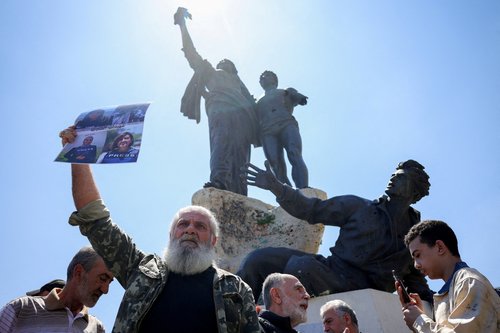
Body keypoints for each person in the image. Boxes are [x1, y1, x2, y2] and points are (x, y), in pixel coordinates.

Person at [60, 127, 260, 333]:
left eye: (200, 226)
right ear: (171, 234)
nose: (190, 230)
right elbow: (94, 217)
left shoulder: (236, 289)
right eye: (183, 224)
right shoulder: (141, 269)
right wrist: (78, 153)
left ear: (213, 241)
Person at [238, 159, 433, 303]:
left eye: (401, 178)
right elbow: (312, 210)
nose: (393, 178)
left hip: (364, 287)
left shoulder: (414, 236)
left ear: (415, 193)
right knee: (258, 260)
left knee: (303, 268)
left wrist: (435, 300)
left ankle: (265, 322)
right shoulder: (359, 206)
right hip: (332, 269)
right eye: (394, 175)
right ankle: (233, 316)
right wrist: (277, 188)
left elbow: (414, 276)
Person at [174, 7, 259, 196]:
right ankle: (219, 181)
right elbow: (191, 53)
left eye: (227, 62)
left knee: (241, 156)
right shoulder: (211, 72)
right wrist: (182, 25)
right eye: (221, 61)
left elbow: (255, 105)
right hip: (220, 108)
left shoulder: (239, 83)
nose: (223, 62)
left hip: (244, 117)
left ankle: (240, 191)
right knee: (221, 143)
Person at [397, 220, 500, 332]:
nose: (416, 265)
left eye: (418, 255)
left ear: (440, 247)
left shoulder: (468, 281)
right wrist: (422, 315)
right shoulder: (453, 289)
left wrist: (419, 321)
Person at [0, 246, 113, 333]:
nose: (105, 290)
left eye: (110, 282)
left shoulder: (97, 328)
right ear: (78, 273)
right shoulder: (21, 308)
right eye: (103, 278)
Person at [256, 70, 309, 188]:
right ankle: (287, 193)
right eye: (261, 78)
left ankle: (304, 188)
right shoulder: (257, 101)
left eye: (267, 76)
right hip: (267, 131)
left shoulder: (285, 91)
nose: (264, 78)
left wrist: (298, 97)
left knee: (294, 153)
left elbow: (298, 98)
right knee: (274, 163)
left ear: (275, 79)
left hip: (286, 123)